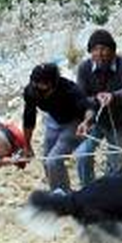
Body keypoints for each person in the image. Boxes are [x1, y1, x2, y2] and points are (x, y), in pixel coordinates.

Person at [74, 29, 122, 187]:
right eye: (95, 49)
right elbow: (82, 98)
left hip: (121, 122)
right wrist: (87, 119)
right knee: (83, 154)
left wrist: (113, 96)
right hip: (96, 119)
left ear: (112, 50)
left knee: (114, 165)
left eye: (103, 49)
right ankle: (88, 191)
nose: (99, 53)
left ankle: (110, 199)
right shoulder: (84, 68)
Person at [22, 62, 94, 192]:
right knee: (46, 160)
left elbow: (88, 108)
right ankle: (57, 192)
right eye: (36, 85)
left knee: (53, 161)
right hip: (53, 120)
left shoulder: (69, 90)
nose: (40, 91)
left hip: (75, 122)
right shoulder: (31, 92)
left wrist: (86, 122)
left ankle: (65, 198)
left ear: (54, 84)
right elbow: (29, 118)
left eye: (44, 88)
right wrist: (27, 145)